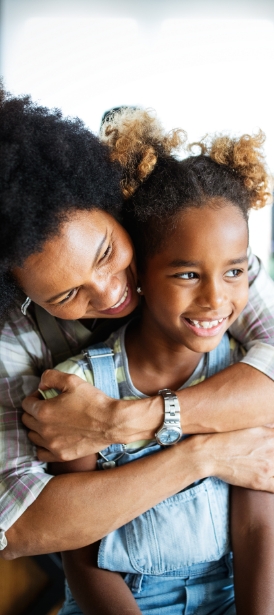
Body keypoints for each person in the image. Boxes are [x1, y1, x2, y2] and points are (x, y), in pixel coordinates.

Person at [1, 91, 274, 563]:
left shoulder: (191, 242)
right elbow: (20, 525)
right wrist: (200, 457)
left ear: (113, 205)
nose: (111, 295)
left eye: (106, 252)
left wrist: (122, 421)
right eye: (66, 295)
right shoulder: (12, 334)